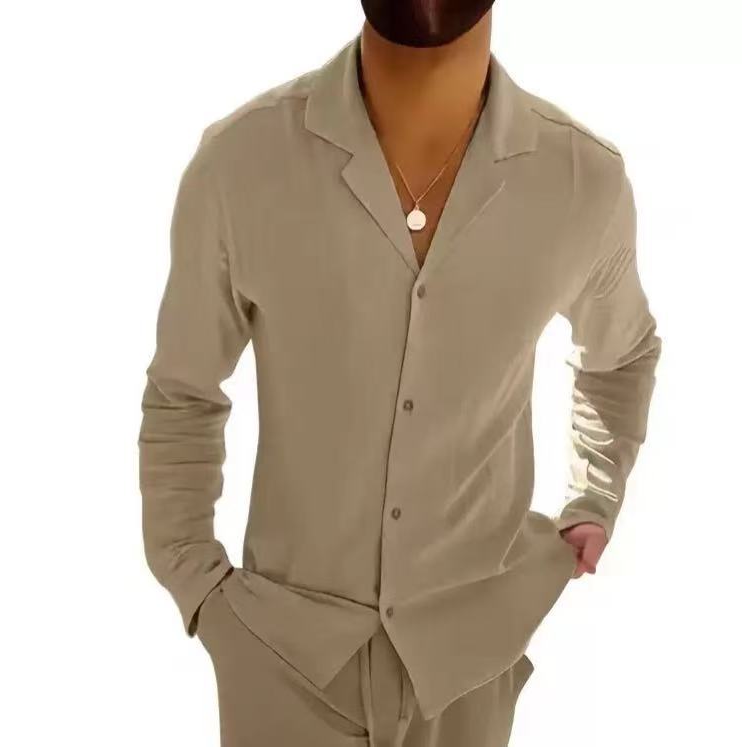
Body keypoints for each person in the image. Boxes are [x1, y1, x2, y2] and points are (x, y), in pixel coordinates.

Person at [138, 2, 662, 745]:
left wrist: (596, 492)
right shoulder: (241, 162)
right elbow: (183, 393)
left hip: (470, 664)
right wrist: (197, 585)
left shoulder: (582, 179)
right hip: (283, 660)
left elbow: (623, 355)